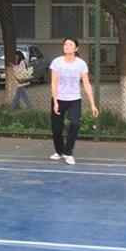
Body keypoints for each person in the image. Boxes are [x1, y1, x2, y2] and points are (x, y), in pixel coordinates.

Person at [49, 37, 98, 165]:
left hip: (74, 100)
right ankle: (59, 151)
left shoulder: (81, 64)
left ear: (76, 48)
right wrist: (55, 101)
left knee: (75, 124)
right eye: (65, 44)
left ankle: (68, 152)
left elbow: (86, 84)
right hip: (59, 99)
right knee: (56, 129)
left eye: (70, 44)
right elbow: (54, 82)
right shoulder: (56, 62)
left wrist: (92, 104)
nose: (67, 46)